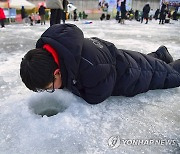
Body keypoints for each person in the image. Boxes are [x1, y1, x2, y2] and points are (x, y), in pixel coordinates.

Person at [20, 24, 180, 104]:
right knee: (147, 62)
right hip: (118, 58)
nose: (53, 90)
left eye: (50, 87)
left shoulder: (90, 70)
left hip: (129, 76)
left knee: (170, 76)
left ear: (57, 72)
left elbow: (97, 95)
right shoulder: (63, 50)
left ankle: (163, 59)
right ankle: (160, 55)